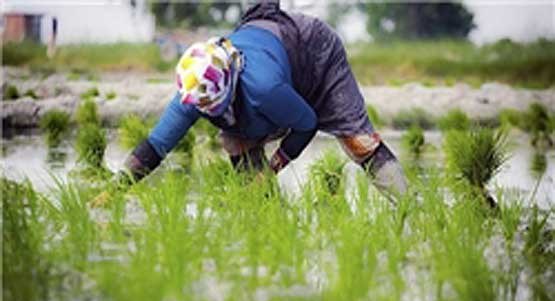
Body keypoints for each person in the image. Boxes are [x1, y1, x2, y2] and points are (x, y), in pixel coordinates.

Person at [95, 0, 407, 205]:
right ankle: (269, 214)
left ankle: (414, 208)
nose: (205, 111)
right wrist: (112, 191)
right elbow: (155, 146)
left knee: (358, 142)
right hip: (272, 54)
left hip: (314, 53)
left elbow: (307, 122)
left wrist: (272, 168)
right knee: (233, 139)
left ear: (229, 81)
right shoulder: (196, 91)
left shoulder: (264, 88)